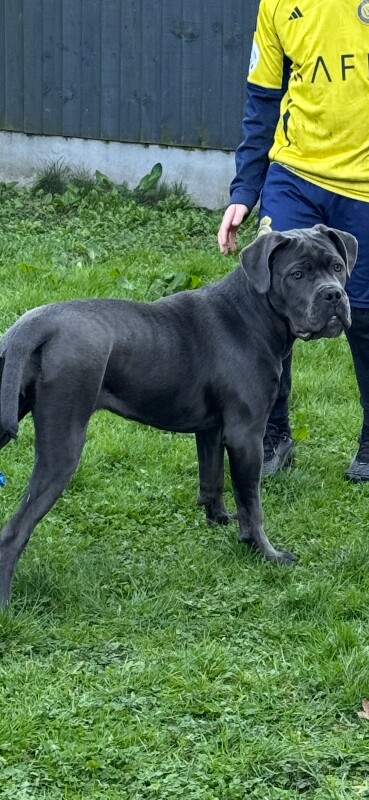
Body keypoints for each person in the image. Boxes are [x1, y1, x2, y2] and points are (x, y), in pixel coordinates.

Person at [217, 0, 369, 481]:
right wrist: (246, 188)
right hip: (294, 176)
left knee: (364, 315)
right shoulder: (277, 5)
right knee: (267, 300)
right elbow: (262, 99)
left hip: (364, 186)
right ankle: (273, 434)